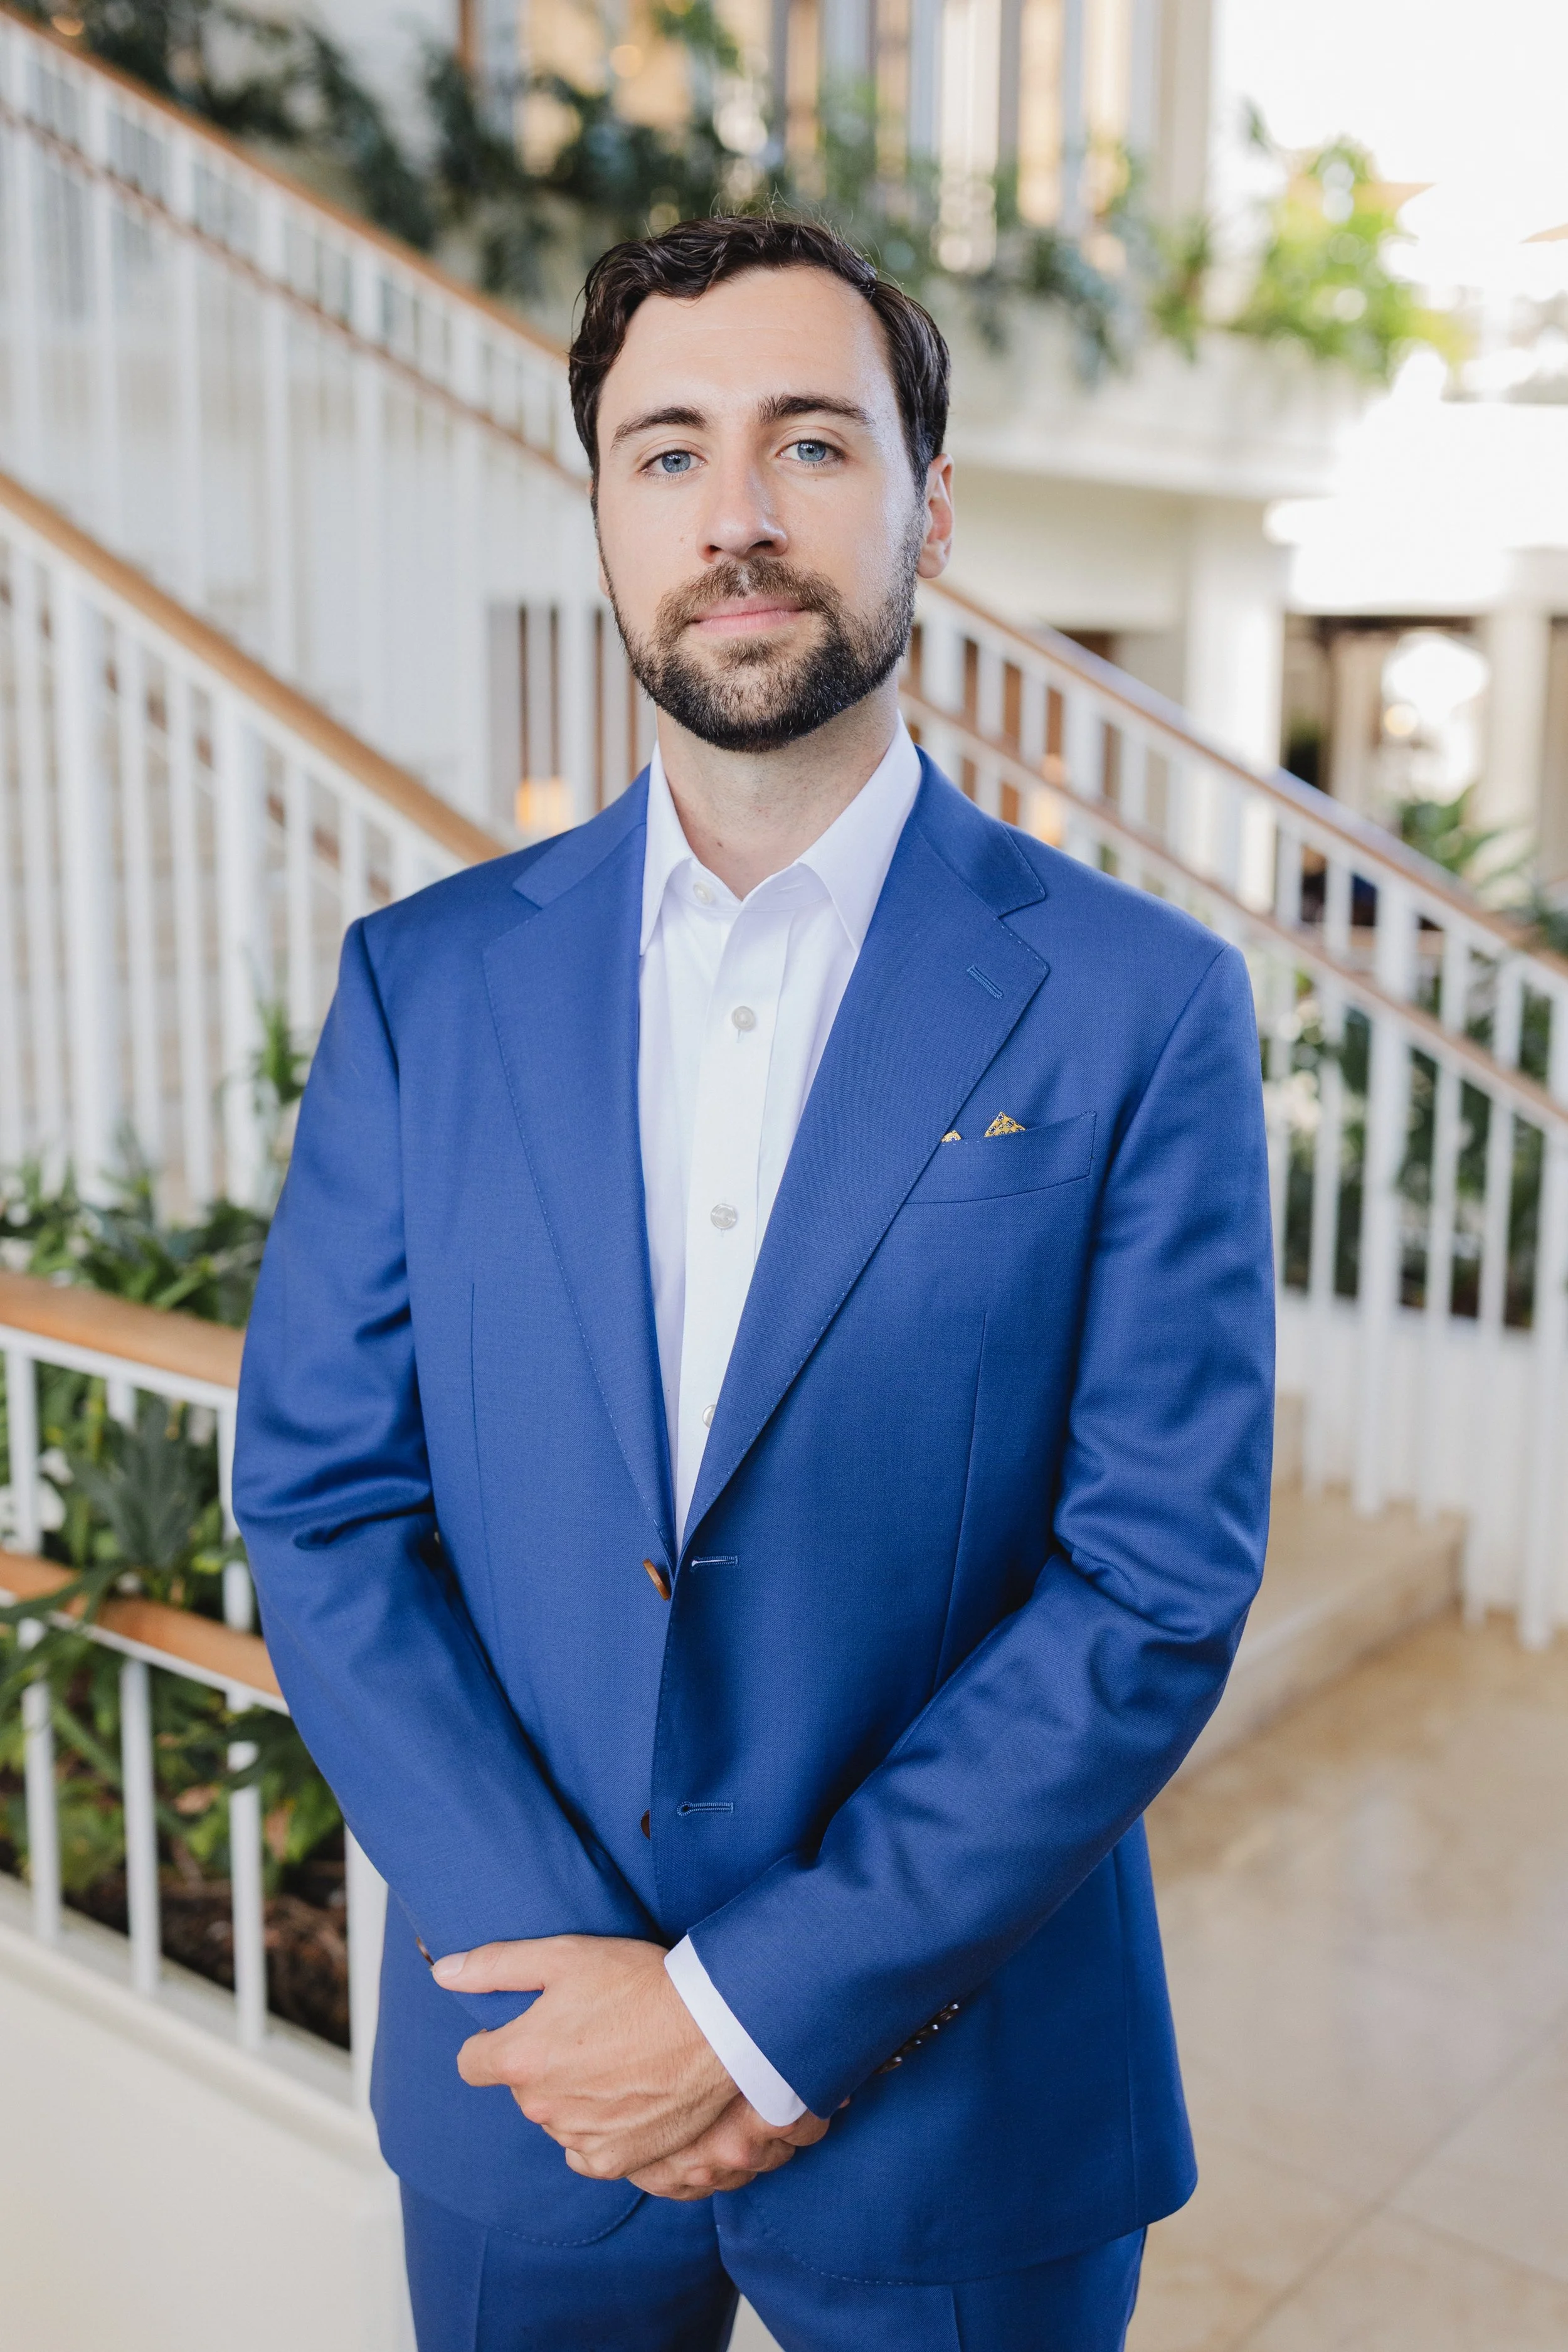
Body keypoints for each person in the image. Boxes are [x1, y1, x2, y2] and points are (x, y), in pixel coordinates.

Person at [235, 214, 1274, 2352]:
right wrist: (582, 2002)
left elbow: (1152, 1579)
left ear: (927, 511)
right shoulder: (424, 987)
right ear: (603, 518)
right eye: (665, 452)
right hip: (531, 2084)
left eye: (811, 444)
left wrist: (742, 2011)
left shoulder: (1135, 1003)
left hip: (963, 2093)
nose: (736, 517)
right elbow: (325, 1504)